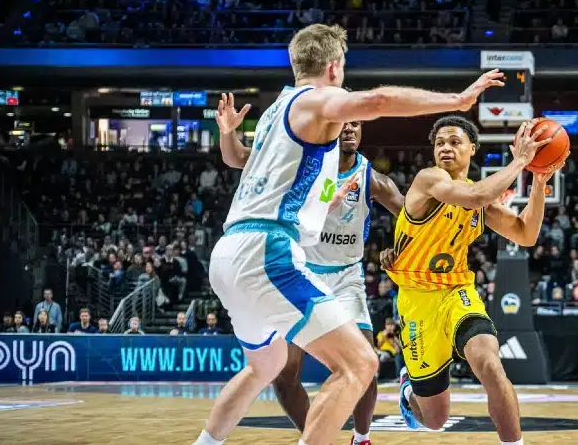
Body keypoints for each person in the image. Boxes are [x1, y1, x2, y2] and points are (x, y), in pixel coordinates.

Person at [194, 23, 505, 445]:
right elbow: (377, 100)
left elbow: (239, 161)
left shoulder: (274, 113)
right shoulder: (318, 98)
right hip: (268, 251)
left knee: (262, 367)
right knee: (360, 363)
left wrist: (323, 192)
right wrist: (458, 99)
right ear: (335, 66)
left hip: (230, 252)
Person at [216, 111, 405, 445]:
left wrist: (400, 251)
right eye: (344, 121)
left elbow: (411, 217)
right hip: (299, 270)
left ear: (361, 132)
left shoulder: (372, 179)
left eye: (356, 123)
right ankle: (316, 438)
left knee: (365, 365)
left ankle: (361, 439)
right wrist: (229, 133)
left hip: (346, 277)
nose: (349, 127)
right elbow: (241, 158)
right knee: (285, 376)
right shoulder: (306, 161)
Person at [379, 116, 567, 445]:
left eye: (454, 142)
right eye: (440, 143)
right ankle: (409, 387)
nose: (446, 148)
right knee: (435, 421)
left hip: (457, 292)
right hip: (417, 301)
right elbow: (477, 196)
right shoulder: (430, 178)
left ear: (472, 149)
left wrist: (538, 180)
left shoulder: (480, 198)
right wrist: (521, 160)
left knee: (490, 364)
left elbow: (526, 234)